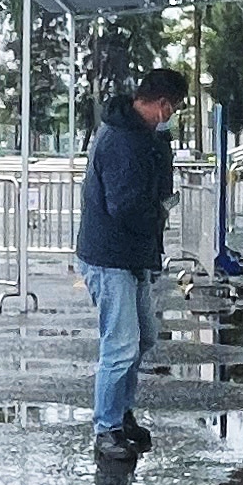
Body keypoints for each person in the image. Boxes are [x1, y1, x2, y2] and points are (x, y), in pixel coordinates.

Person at [76, 66, 186, 464]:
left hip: (130, 255)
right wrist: (157, 214)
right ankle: (106, 428)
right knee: (121, 345)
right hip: (112, 257)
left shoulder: (140, 135)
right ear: (162, 104)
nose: (171, 117)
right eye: (173, 108)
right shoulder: (124, 141)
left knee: (141, 340)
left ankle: (120, 415)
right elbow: (125, 206)